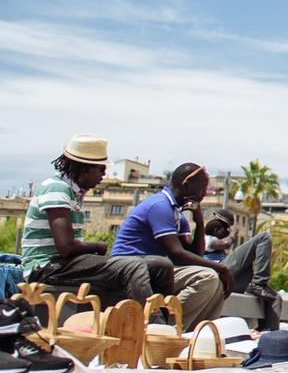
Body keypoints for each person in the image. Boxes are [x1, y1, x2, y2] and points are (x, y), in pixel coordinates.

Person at [20, 134, 160, 308]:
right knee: (132, 266)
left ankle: (163, 315)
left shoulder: (75, 192)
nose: (104, 174)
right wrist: (97, 246)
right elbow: (66, 247)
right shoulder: (56, 188)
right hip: (45, 266)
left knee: (158, 265)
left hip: (66, 263)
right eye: (101, 169)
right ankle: (151, 321)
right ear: (84, 169)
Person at [111, 163, 236, 331]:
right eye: (202, 188)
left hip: (154, 269)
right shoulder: (160, 205)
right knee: (207, 277)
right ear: (186, 185)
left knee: (218, 283)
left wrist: (199, 222)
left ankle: (195, 335)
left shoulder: (178, 214)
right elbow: (176, 254)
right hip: (131, 269)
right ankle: (164, 329)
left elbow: (196, 254)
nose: (204, 194)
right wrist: (221, 267)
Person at [201, 211, 280, 332]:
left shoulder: (219, 249)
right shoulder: (206, 239)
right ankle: (259, 282)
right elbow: (226, 243)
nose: (228, 232)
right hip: (218, 275)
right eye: (225, 230)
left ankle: (270, 333)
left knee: (275, 298)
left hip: (230, 281)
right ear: (216, 230)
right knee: (264, 237)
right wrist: (233, 232)